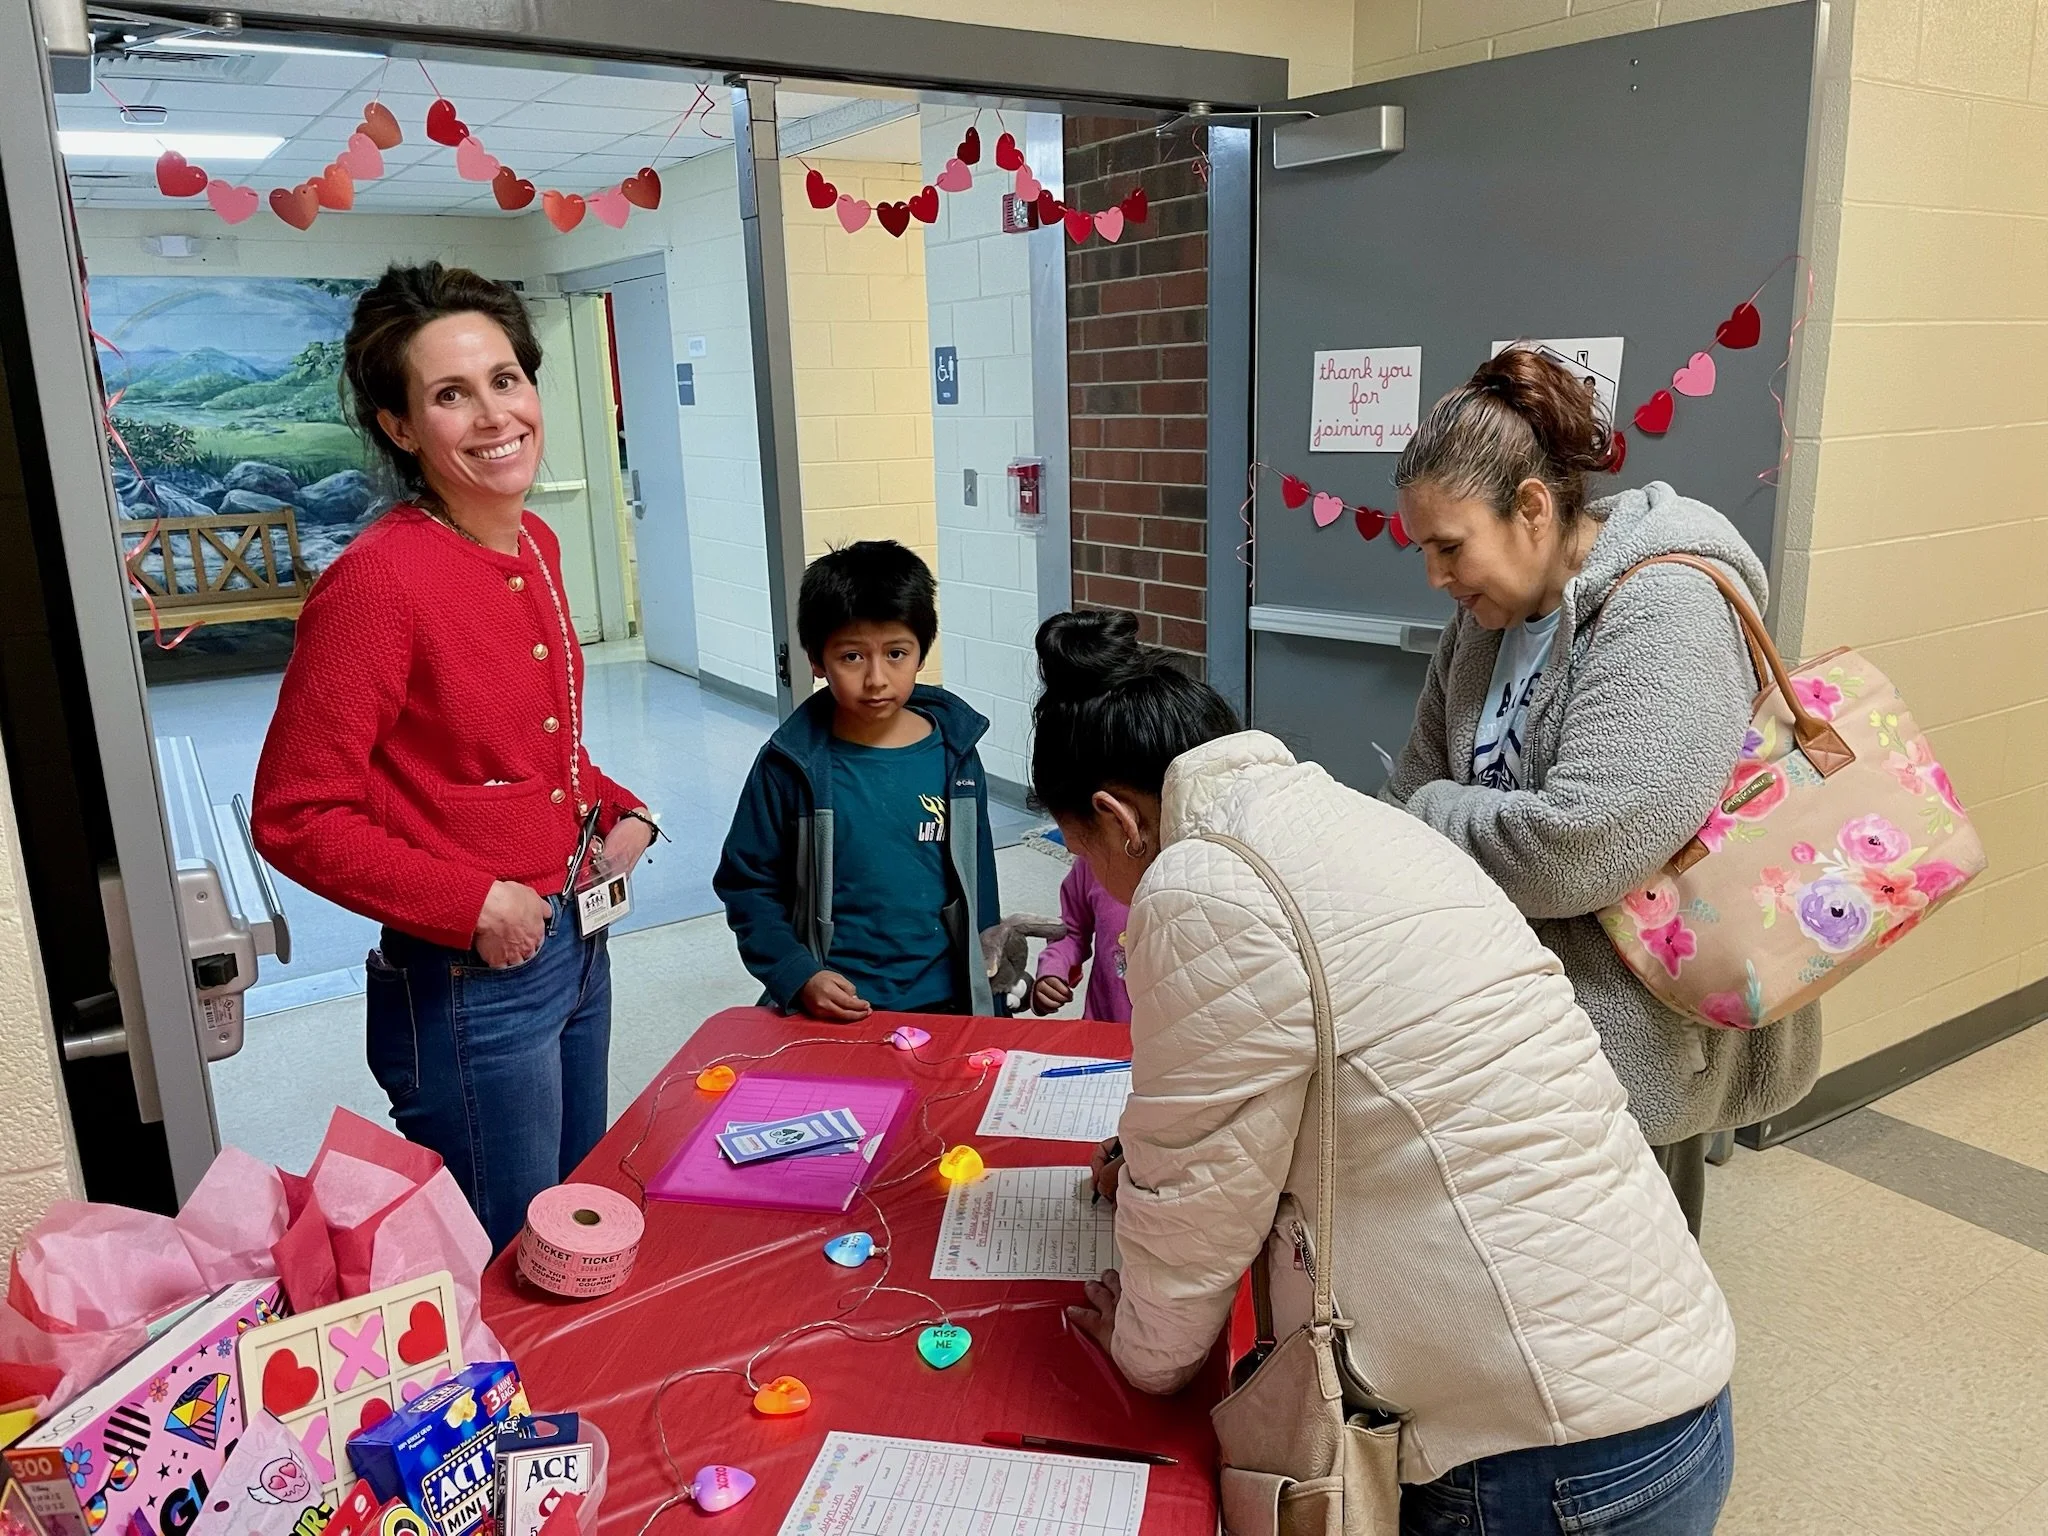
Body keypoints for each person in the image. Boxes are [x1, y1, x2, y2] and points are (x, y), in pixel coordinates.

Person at [1038, 610, 1735, 1535]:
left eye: (1078, 847)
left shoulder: (1203, 878)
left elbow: (1199, 1193)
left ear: (1119, 820)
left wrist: (1143, 1356)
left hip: (1540, 1454)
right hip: (1661, 1387)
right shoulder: (1347, 817)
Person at [253, 263, 655, 1253]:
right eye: (449, 394)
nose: (493, 415)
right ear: (399, 427)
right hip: (472, 981)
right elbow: (296, 815)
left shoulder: (539, 547)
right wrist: (474, 903)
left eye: (505, 379)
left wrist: (619, 809)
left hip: (573, 943)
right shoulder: (378, 583)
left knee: (576, 1225)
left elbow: (537, 749)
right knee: (505, 1265)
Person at [1382, 346, 1821, 1234]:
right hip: (1514, 1026)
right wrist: (1441, 815)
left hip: (1637, 1040)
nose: (1435, 576)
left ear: (1533, 509)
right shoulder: (1478, 628)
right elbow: (1420, 779)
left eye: (1449, 546)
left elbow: (1588, 846)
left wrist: (1434, 817)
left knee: (1639, 1333)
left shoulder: (1665, 605)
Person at [715, 540, 1000, 1021]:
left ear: (921, 651)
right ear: (816, 660)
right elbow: (746, 885)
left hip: (948, 1003)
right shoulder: (790, 765)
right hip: (837, 1004)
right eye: (851, 657)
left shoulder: (956, 756)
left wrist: (992, 967)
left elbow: (979, 879)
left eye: (896, 653)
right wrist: (797, 974)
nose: (876, 679)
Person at [1029, 856, 1131, 1022]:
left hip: (1175, 1037)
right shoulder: (1093, 858)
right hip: (1104, 1026)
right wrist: (1053, 968)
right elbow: (1072, 931)